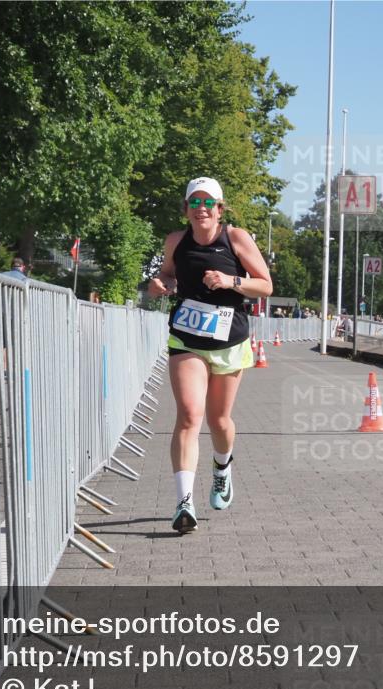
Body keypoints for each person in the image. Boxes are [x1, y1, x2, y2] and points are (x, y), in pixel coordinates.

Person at [148, 177, 273, 534]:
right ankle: (184, 502)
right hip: (187, 339)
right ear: (186, 208)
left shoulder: (236, 238)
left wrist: (231, 282)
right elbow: (167, 278)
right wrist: (159, 286)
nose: (201, 208)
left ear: (219, 209)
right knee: (189, 414)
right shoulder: (176, 240)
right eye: (194, 201)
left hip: (229, 341)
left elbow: (265, 284)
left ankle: (222, 469)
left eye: (209, 202)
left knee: (219, 422)